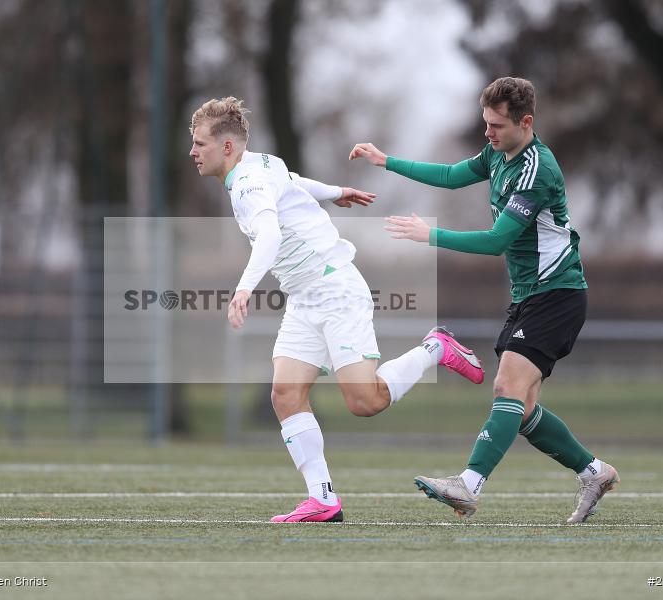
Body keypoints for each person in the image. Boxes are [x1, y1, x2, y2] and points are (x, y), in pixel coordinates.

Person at [189, 96, 484, 523]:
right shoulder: (258, 165)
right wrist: (337, 192)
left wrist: (244, 288)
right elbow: (292, 180)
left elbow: (269, 235)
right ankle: (323, 500)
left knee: (365, 401)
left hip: (334, 289)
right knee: (286, 394)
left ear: (228, 147)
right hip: (305, 298)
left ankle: (435, 348)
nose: (193, 152)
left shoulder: (249, 185)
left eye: (200, 143)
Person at [349, 77, 618, 524]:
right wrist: (386, 161)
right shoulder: (499, 152)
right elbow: (455, 176)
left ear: (525, 122)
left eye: (496, 125)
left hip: (559, 294)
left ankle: (468, 485)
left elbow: (496, 242)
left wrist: (429, 234)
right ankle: (593, 471)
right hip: (530, 296)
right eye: (485, 123)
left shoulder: (538, 170)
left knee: (506, 388)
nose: (488, 133)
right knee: (523, 408)